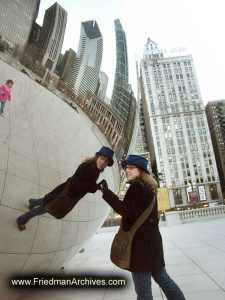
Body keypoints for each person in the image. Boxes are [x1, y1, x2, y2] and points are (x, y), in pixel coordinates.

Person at [99, 155, 185, 300]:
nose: (127, 170)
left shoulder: (137, 188)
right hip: (153, 244)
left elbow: (126, 212)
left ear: (141, 170)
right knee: (164, 281)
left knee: (143, 291)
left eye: (131, 167)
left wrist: (106, 193)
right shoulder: (149, 188)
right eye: (126, 167)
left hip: (140, 248)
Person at [16, 146, 114, 231]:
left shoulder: (96, 170)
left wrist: (96, 186)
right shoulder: (86, 166)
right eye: (102, 158)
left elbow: (87, 183)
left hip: (69, 194)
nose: (103, 162)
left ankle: (32, 202)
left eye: (106, 161)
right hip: (65, 194)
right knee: (44, 208)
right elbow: (79, 184)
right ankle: (21, 220)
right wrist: (96, 187)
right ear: (97, 157)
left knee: (47, 200)